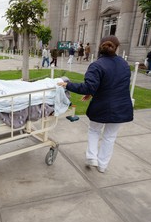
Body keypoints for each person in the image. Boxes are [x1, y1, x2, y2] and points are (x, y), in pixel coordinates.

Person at [57, 35, 133, 173]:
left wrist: (68, 85)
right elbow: (113, 84)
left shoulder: (97, 65)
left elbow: (88, 87)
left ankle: (92, 157)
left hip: (103, 106)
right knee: (110, 137)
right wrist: (92, 92)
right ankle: (102, 165)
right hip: (121, 106)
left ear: (100, 46)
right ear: (117, 47)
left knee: (94, 130)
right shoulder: (124, 64)